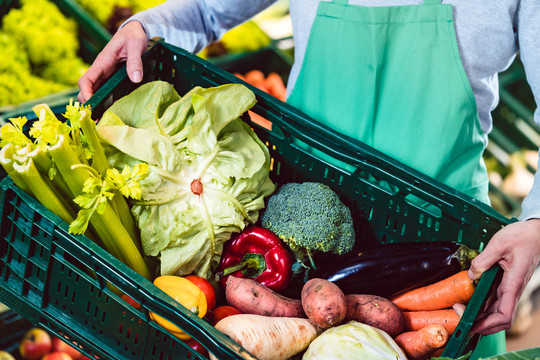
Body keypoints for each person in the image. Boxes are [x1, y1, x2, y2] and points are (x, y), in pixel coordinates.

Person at [78, 0, 540, 358]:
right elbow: (204, 9)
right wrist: (146, 27)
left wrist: (537, 224)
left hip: (445, 247)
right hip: (296, 233)